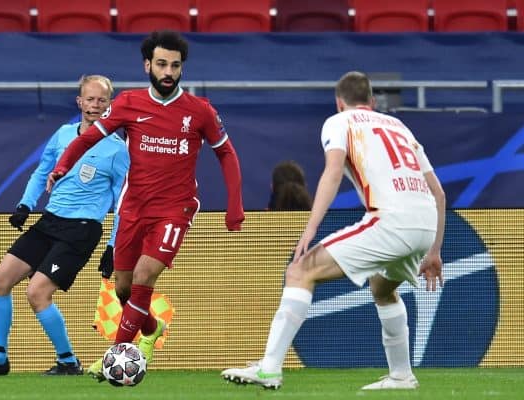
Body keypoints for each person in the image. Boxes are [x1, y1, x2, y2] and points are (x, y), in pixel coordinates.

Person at [222, 71, 445, 390]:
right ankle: (401, 375)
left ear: (339, 102)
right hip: (425, 222)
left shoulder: (339, 122)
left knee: (300, 271)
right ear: (371, 101)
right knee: (382, 288)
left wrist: (310, 228)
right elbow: (439, 193)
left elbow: (333, 170)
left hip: (391, 219)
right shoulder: (399, 126)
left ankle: (269, 367)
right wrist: (434, 250)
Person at [46, 30, 244, 379]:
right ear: (147, 65)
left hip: (175, 209)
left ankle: (113, 359)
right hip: (133, 209)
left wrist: (234, 205)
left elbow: (226, 153)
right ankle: (151, 329)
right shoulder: (128, 103)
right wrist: (62, 166)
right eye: (162, 64)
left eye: (176, 66)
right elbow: (89, 138)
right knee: (124, 289)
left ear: (182, 69)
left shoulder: (199, 111)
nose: (169, 71)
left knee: (143, 276)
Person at [0, 75, 129, 376]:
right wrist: (26, 204)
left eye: (101, 100)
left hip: (81, 228)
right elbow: (41, 172)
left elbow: (124, 203)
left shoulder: (117, 150)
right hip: (49, 221)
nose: (95, 105)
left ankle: (68, 361)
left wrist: (114, 246)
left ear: (109, 105)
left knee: (37, 293)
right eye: (89, 99)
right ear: (79, 102)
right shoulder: (64, 134)